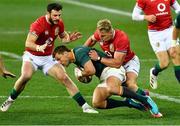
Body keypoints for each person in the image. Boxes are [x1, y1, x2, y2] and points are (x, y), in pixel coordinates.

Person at [0, 3, 98, 114]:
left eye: (59, 15)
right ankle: (10, 100)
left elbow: (63, 38)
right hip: (32, 56)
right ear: (48, 13)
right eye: (55, 15)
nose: (58, 18)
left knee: (64, 78)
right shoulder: (38, 25)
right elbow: (28, 43)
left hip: (47, 57)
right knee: (26, 76)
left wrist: (69, 38)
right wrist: (38, 47)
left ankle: (85, 106)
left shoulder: (59, 23)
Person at [53, 45, 163, 118]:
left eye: (59, 58)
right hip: (104, 76)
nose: (59, 62)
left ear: (65, 53)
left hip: (113, 70)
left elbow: (91, 70)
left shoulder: (79, 53)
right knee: (97, 102)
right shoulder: (76, 56)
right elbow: (90, 75)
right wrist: (84, 77)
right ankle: (128, 102)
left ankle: (145, 99)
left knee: (112, 87)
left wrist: (81, 74)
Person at [83, 19, 148, 98]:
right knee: (115, 87)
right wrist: (82, 52)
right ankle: (138, 96)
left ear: (110, 32)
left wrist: (99, 58)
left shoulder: (121, 39)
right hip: (112, 61)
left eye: (103, 36)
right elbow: (92, 39)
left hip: (128, 62)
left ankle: (146, 99)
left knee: (130, 84)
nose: (100, 37)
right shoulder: (100, 33)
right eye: (99, 35)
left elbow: (117, 63)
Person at [132, 0, 180, 89]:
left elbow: (178, 9)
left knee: (176, 56)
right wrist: (146, 17)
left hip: (170, 30)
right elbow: (134, 15)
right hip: (156, 34)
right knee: (164, 63)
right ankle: (154, 72)